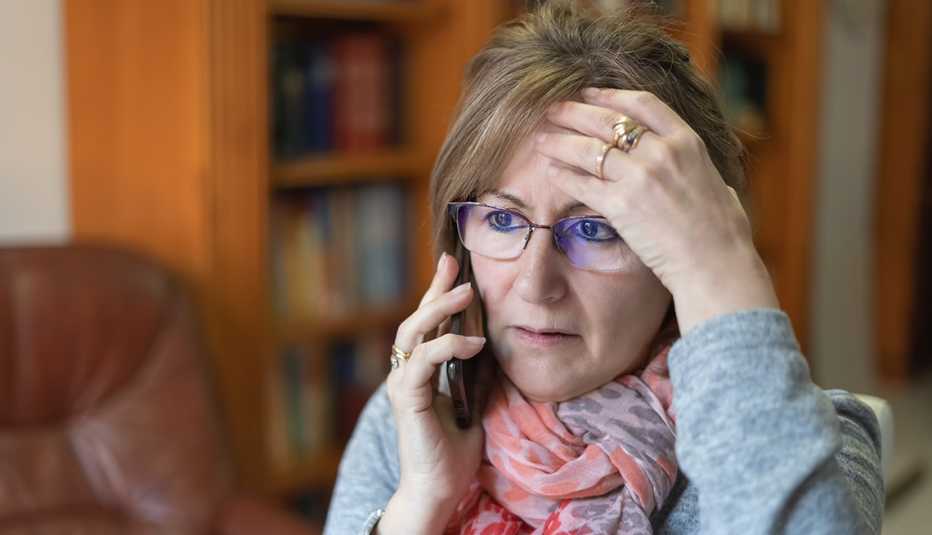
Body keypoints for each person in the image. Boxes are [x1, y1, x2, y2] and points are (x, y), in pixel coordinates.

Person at [323, 1, 883, 533]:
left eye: (595, 229)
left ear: (683, 256)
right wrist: (420, 503)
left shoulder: (817, 444)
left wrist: (724, 270)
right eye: (502, 220)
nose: (536, 284)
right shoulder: (419, 409)